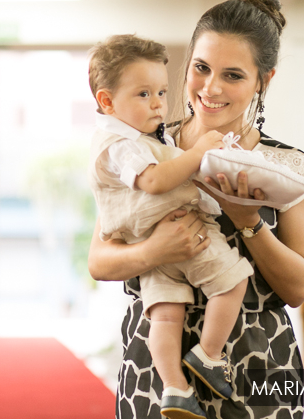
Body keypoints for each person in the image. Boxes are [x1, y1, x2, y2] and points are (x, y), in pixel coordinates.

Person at [88, 0, 304, 419]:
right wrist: (155, 251)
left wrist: (247, 221)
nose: (210, 88)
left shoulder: (289, 168)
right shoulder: (143, 150)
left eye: (233, 75)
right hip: (157, 378)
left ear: (263, 80)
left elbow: (297, 288)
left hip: (254, 372)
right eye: (201, 68)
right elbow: (99, 261)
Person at [88, 34, 253, 418]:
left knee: (164, 313)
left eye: (162, 91)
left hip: (151, 248)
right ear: (107, 101)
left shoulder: (141, 139)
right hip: (178, 235)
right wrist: (197, 154)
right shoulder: (122, 143)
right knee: (233, 281)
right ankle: (209, 356)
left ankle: (176, 388)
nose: (159, 103)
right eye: (143, 94)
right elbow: (156, 181)